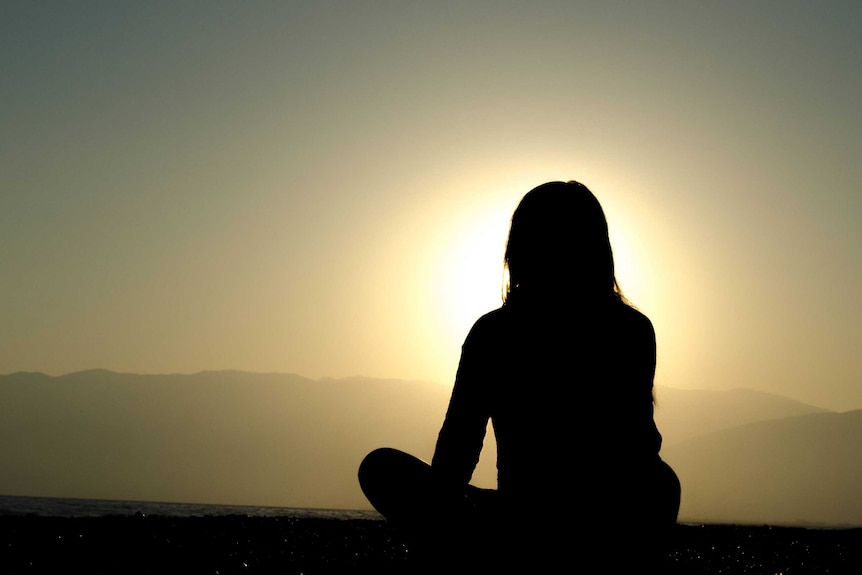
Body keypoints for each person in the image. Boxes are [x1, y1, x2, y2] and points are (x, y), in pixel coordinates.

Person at [359, 180, 680, 572]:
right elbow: (639, 448)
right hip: (584, 523)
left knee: (381, 469)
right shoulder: (630, 329)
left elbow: (456, 454)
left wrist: (441, 517)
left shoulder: (496, 332)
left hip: (535, 524)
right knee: (661, 483)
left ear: (518, 249)